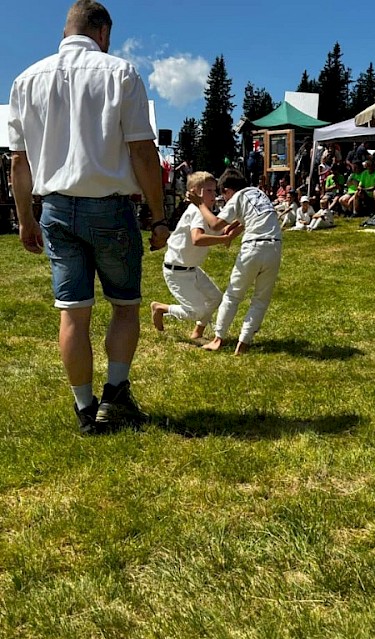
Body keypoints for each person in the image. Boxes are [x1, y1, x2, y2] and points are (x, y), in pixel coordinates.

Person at [8, 0, 168, 435]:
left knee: (72, 313)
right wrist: (158, 216)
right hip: (109, 207)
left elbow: (19, 162)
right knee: (124, 306)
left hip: (56, 209)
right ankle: (115, 394)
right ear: (102, 32)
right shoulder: (120, 72)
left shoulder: (25, 80)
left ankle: (85, 409)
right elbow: (141, 151)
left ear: (65, 33)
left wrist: (26, 220)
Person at [187, 168, 282, 355]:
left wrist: (199, 204)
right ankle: (244, 343)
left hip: (253, 247)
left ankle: (218, 339)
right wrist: (230, 234)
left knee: (233, 295)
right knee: (260, 300)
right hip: (275, 247)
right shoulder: (259, 194)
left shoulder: (238, 197)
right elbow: (244, 221)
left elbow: (215, 224)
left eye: (224, 195)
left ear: (229, 190)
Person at [150, 171, 240, 339]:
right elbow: (197, 239)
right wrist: (224, 239)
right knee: (196, 312)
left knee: (215, 298)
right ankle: (161, 308)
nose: (214, 195)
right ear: (193, 192)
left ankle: (197, 333)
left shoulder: (205, 212)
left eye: (215, 191)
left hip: (191, 269)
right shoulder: (196, 212)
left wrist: (242, 221)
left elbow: (220, 229)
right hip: (177, 271)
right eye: (208, 191)